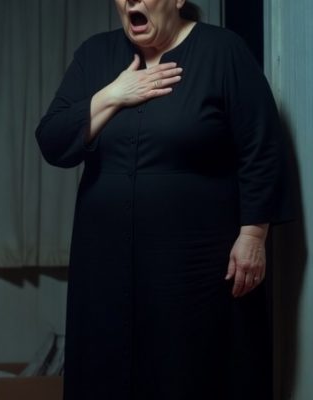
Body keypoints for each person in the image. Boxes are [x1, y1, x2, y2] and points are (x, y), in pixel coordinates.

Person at [35, 1, 290, 399]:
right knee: (108, 368)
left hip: (198, 265)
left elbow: (262, 147)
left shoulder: (223, 51)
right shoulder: (95, 54)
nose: (131, 2)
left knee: (191, 370)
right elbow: (52, 142)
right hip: (104, 261)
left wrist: (254, 234)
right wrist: (113, 95)